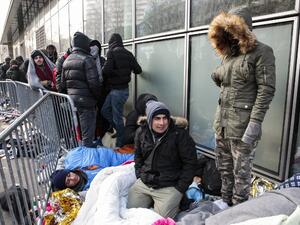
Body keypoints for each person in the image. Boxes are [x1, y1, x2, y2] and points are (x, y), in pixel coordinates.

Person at [208, 6, 276, 207]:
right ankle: (225, 204)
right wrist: (217, 75)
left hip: (243, 127)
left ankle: (238, 211)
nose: (229, 35)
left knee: (241, 175)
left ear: (243, 28)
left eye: (232, 30)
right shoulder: (228, 55)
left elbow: (267, 89)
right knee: (225, 169)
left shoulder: (262, 52)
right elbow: (226, 80)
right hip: (222, 124)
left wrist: (255, 124)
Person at [127, 101, 197, 218]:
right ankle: (152, 200)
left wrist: (180, 188)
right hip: (145, 182)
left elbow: (191, 163)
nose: (162, 123)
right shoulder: (141, 132)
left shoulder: (179, 135)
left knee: (160, 220)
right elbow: (138, 156)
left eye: (165, 118)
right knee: (129, 212)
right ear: (149, 119)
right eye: (157, 118)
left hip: (169, 185)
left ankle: (178, 201)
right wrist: (139, 175)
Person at [102, 33, 142, 147]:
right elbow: (138, 70)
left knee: (116, 117)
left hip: (117, 91)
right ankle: (121, 131)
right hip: (123, 91)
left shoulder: (111, 52)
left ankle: (120, 143)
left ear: (111, 43)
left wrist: (113, 71)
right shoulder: (128, 54)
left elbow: (106, 71)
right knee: (105, 111)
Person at [61, 32, 102, 147]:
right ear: (84, 44)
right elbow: (94, 84)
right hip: (87, 102)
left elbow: (63, 84)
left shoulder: (67, 60)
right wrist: (97, 98)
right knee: (87, 132)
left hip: (73, 101)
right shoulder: (87, 59)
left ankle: (83, 151)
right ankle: (87, 158)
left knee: (79, 129)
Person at [50, 146, 134, 192]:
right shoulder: (86, 188)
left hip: (113, 157)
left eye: (69, 175)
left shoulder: (73, 158)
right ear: (67, 187)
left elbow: (106, 155)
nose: (73, 178)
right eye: (68, 182)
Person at [89, 39, 109, 143]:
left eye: (96, 48)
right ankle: (95, 136)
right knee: (93, 117)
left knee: (102, 115)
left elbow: (107, 76)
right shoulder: (87, 60)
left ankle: (102, 136)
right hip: (91, 94)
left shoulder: (102, 60)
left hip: (102, 93)